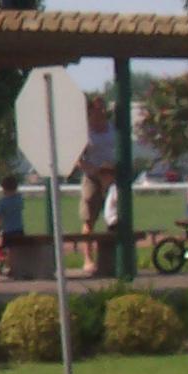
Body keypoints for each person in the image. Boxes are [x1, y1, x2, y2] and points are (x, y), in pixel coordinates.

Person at [74, 97, 115, 272]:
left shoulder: (113, 129)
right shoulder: (85, 133)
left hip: (112, 176)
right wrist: (93, 170)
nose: (101, 112)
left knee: (115, 218)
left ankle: (110, 260)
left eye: (102, 108)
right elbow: (77, 160)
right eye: (97, 109)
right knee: (89, 218)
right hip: (92, 177)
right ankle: (88, 259)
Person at [0, 175, 26, 249]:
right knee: (19, 252)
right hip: (19, 230)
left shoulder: (2, 202)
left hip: (8, 232)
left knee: (8, 253)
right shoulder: (19, 199)